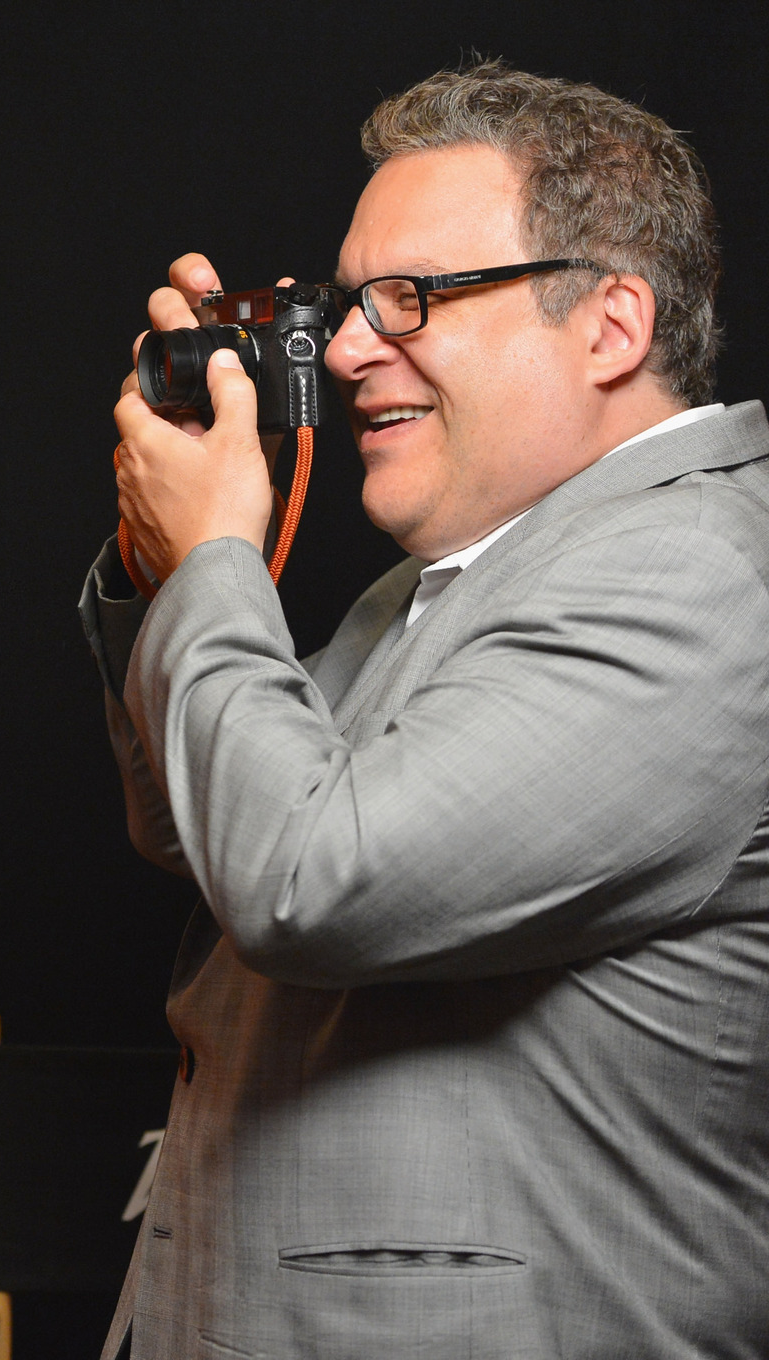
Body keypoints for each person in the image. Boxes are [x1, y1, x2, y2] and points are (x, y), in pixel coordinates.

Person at [83, 62, 769, 1359]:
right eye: (349, 305)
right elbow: (203, 825)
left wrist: (220, 557)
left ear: (611, 325)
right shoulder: (439, 587)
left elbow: (306, 881)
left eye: (412, 300)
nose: (345, 350)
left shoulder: (698, 580)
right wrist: (156, 563)